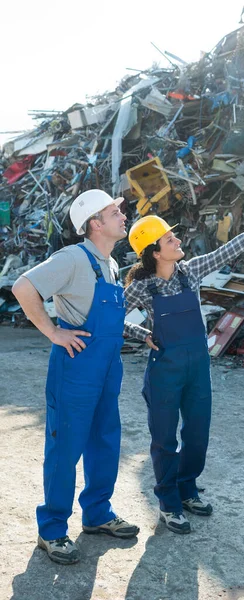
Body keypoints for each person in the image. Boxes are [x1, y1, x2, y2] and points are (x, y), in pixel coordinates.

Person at [124, 199, 244, 534]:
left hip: (197, 367)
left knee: (197, 433)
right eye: (169, 240)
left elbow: (234, 246)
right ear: (155, 252)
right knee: (165, 439)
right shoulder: (141, 288)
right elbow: (111, 317)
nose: (178, 241)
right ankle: (168, 503)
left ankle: (188, 490)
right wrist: (139, 332)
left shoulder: (191, 271)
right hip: (165, 369)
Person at [12, 190, 152, 565]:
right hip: (75, 370)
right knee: (65, 447)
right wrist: (53, 332)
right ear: (95, 223)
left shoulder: (111, 265)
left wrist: (144, 335)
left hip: (106, 369)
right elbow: (23, 288)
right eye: (114, 211)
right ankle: (53, 529)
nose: (123, 215)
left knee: (105, 441)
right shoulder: (74, 258)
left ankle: (97, 514)